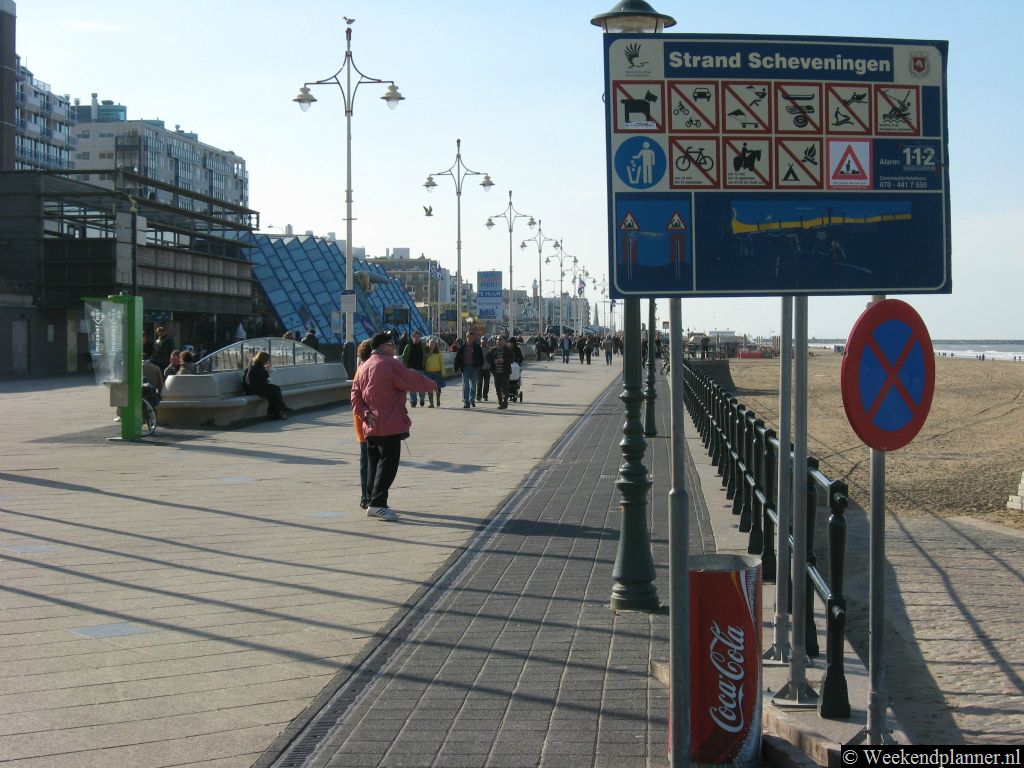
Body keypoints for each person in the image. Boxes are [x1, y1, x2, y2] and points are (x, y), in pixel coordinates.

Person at [350, 332, 437, 521]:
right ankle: (378, 503)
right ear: (385, 345)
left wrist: (365, 414)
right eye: (392, 344)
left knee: (374, 461)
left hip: (370, 424)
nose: (395, 347)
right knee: (388, 464)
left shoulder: (363, 367)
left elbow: (355, 396)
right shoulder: (390, 364)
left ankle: (372, 500)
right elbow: (410, 378)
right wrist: (432, 384)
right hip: (389, 422)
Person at [352, 340, 374, 509]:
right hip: (369, 421)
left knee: (365, 460)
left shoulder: (361, 368)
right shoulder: (368, 369)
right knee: (371, 460)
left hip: (361, 420)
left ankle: (366, 496)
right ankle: (369, 495)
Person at [243, 351, 289, 419]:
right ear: (263, 359)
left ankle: (274, 413)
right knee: (275, 390)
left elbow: (258, 379)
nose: (268, 361)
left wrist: (266, 373)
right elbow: (258, 380)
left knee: (274, 393)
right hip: (253, 389)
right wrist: (267, 373)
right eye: (267, 359)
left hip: (255, 387)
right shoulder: (256, 366)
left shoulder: (256, 364)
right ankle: (279, 409)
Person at [452, 330, 484, 408]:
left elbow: (481, 358)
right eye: (468, 337)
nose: (469, 339)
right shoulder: (462, 348)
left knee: (473, 386)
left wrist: (479, 366)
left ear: (473, 338)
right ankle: (466, 402)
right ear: (466, 337)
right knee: (466, 386)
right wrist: (455, 368)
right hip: (465, 367)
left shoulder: (477, 347)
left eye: (471, 337)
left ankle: (472, 400)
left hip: (474, 368)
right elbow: (457, 358)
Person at [400, 330, 428, 407]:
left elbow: (426, 355)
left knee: (421, 386)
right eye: (415, 337)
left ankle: (422, 399)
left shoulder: (422, 346)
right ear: (413, 337)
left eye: (418, 337)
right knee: (412, 386)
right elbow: (403, 357)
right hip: (410, 369)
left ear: (420, 338)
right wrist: (405, 366)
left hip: (421, 369)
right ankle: (413, 401)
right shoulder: (408, 346)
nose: (417, 338)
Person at [487, 336, 515, 410]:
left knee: (504, 388)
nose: (499, 341)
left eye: (500, 339)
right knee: (498, 388)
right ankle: (500, 401)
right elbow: (487, 358)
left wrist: (504, 360)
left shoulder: (508, 350)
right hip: (496, 372)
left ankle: (504, 402)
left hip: (505, 372)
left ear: (503, 341)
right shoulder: (492, 350)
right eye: (497, 340)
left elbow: (512, 358)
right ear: (496, 341)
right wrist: (494, 361)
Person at [423, 338, 445, 408]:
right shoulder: (426, 353)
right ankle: (431, 403)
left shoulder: (439, 353)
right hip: (428, 372)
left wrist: (443, 372)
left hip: (437, 372)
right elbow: (423, 362)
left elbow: (442, 363)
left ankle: (438, 400)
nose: (432, 345)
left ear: (435, 345)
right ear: (428, 344)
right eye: (430, 344)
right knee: (429, 387)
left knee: (438, 387)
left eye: (433, 344)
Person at [476, 337, 492, 402]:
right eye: (482, 341)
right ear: (480, 341)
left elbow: (492, 358)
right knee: (479, 383)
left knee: (486, 383)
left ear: (486, 342)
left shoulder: (489, 349)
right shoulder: (478, 348)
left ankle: (485, 396)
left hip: (487, 369)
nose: (483, 342)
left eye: (484, 341)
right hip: (479, 369)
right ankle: (478, 396)